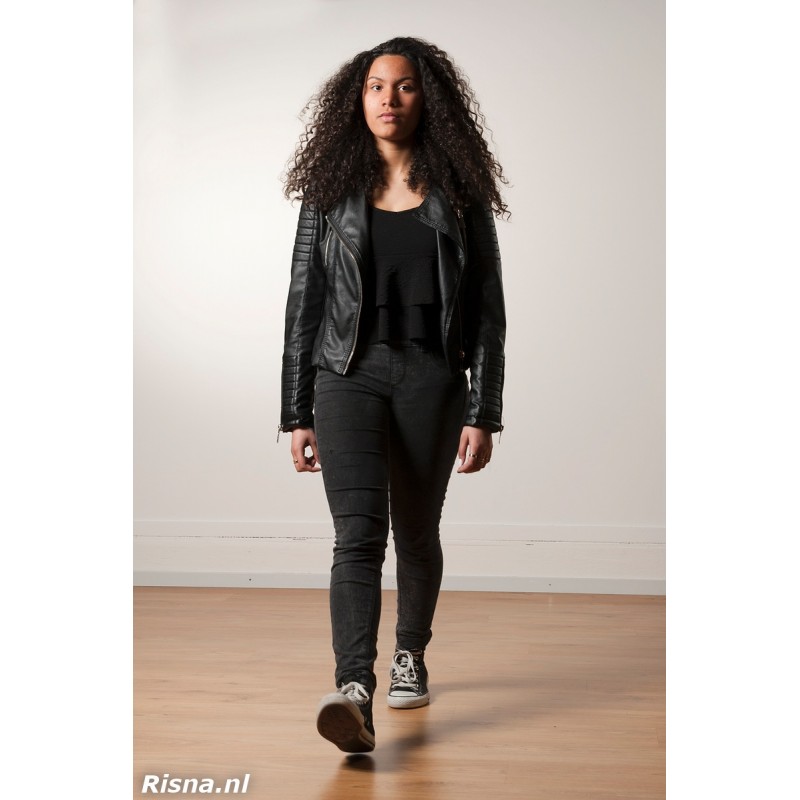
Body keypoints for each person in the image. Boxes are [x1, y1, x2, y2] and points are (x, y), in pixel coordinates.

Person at [279, 36, 507, 754]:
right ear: (358, 98)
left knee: (415, 531)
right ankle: (354, 690)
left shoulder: (459, 195)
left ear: (426, 99)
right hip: (345, 376)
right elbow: (304, 303)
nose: (388, 99)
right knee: (357, 536)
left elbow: (488, 311)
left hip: (433, 379)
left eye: (404, 86)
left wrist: (485, 409)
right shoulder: (330, 193)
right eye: (376, 86)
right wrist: (295, 410)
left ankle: (410, 653)